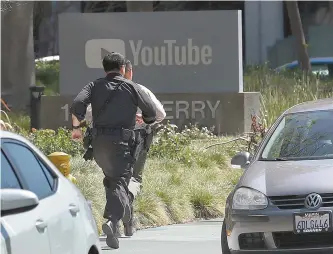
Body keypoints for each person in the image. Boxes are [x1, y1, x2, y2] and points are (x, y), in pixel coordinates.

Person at [70, 52, 156, 249]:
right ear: (123, 69)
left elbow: (77, 104)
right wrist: (147, 121)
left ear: (104, 69)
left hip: (98, 145)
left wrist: (78, 125)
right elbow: (151, 112)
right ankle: (112, 221)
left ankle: (117, 226)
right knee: (122, 183)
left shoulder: (93, 85)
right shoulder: (131, 87)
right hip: (122, 144)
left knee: (112, 180)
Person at [84, 59, 166, 236]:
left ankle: (122, 223)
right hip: (137, 140)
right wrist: (143, 119)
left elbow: (89, 114)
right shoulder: (139, 89)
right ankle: (125, 211)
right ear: (129, 72)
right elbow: (160, 114)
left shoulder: (102, 90)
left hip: (108, 139)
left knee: (113, 179)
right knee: (133, 179)